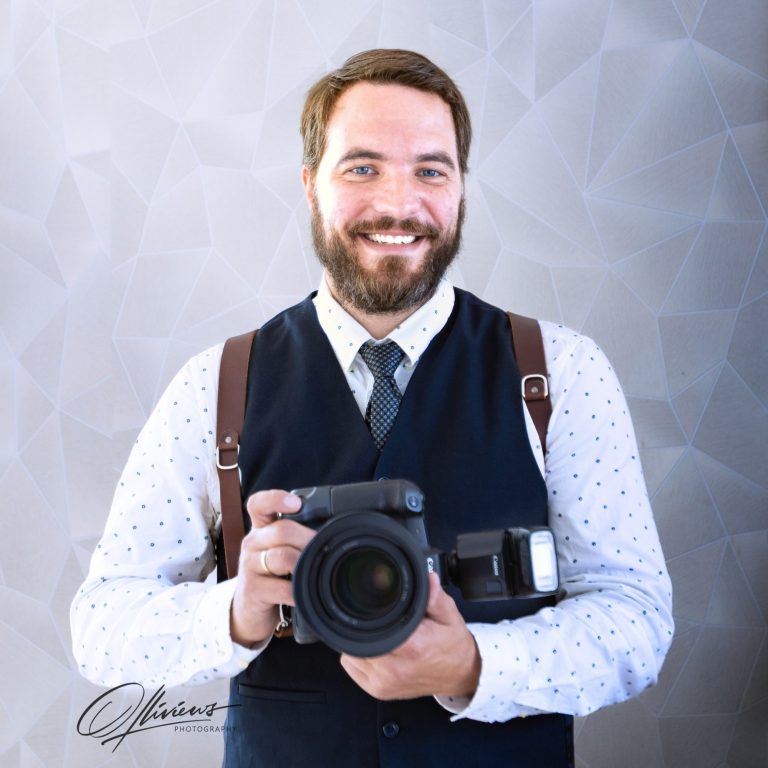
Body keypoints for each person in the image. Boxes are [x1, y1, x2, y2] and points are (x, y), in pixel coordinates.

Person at [71, 49, 673, 767]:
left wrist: (475, 664)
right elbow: (100, 626)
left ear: (461, 188)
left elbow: (636, 620)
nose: (398, 204)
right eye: (362, 168)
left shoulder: (559, 374)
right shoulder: (214, 386)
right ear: (310, 185)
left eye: (430, 171)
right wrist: (235, 611)